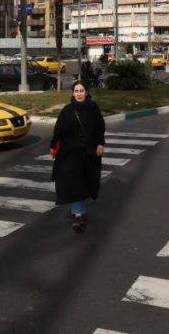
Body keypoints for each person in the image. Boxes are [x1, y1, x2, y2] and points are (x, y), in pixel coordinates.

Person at [50, 80, 106, 233]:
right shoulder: (67, 110)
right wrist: (52, 146)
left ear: (86, 92)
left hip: (88, 153)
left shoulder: (93, 108)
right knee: (75, 184)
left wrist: (100, 144)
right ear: (73, 93)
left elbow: (99, 128)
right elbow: (58, 130)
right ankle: (78, 216)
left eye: (82, 91)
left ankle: (79, 211)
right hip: (69, 154)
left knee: (85, 182)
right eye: (76, 91)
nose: (79, 94)